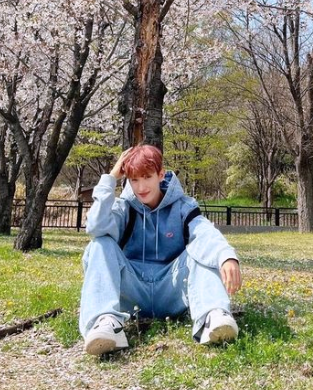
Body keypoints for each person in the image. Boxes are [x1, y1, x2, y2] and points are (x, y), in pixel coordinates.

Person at [79, 145, 242, 356]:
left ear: (160, 174)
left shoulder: (183, 207)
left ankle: (212, 316)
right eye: (134, 179)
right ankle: (106, 323)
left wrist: (226, 256)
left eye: (147, 177)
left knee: (199, 250)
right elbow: (95, 227)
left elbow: (203, 233)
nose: (141, 186)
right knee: (100, 244)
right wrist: (110, 178)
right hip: (133, 290)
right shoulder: (124, 207)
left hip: (171, 287)